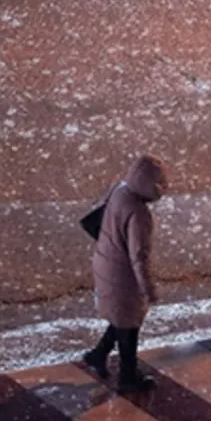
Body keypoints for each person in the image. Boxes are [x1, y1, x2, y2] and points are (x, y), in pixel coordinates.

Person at [82, 155, 168, 393]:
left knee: (122, 318)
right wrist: (148, 289)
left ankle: (98, 355)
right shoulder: (139, 213)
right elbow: (139, 257)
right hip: (122, 274)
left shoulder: (120, 190)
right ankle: (128, 377)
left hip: (105, 261)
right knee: (130, 326)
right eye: (160, 185)